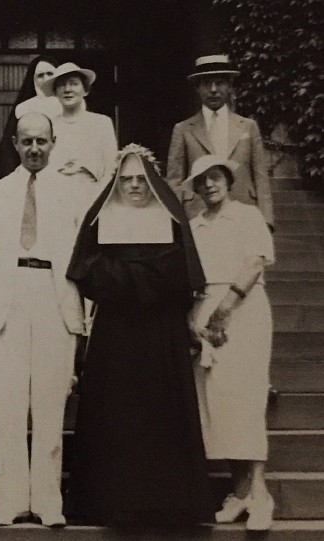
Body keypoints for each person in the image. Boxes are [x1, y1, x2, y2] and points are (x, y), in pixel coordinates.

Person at [65, 144, 214, 527]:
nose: (134, 186)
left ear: (154, 181)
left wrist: (124, 275)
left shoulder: (170, 218)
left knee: (161, 414)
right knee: (118, 414)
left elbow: (180, 274)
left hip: (161, 334)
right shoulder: (101, 219)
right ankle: (113, 502)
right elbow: (87, 272)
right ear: (116, 181)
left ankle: (168, 503)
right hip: (116, 336)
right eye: (126, 179)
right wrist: (144, 275)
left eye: (141, 179)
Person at [0, 112, 85, 528]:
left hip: (54, 297)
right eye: (27, 142)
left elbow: (85, 257)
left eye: (42, 141)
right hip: (5, 297)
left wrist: (85, 317)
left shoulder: (74, 194)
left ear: (53, 143)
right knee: (6, 407)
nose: (35, 149)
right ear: (15, 144)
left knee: (49, 406)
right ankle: (7, 501)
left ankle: (47, 500)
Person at [184, 155, 275, 531]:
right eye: (202, 180)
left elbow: (255, 264)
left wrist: (223, 310)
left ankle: (260, 495)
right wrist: (193, 319)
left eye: (216, 177)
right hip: (205, 315)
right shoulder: (193, 226)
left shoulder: (248, 216)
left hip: (244, 309)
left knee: (247, 401)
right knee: (219, 406)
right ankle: (240, 493)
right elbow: (190, 278)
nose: (209, 185)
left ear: (228, 180)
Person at [166, 54, 274, 230]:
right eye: (207, 83)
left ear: (230, 86)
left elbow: (261, 178)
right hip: (198, 215)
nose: (214, 89)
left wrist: (266, 220)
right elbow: (174, 181)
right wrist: (178, 221)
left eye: (219, 83)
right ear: (198, 89)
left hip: (244, 210)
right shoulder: (184, 129)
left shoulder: (248, 126)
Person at [40, 62, 117, 211]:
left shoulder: (102, 123)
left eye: (74, 84)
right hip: (56, 198)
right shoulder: (48, 125)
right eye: (61, 85)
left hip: (92, 196)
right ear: (55, 92)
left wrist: (98, 202)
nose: (67, 89)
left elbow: (111, 168)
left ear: (85, 90)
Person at [0, 55, 61, 177]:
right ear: (33, 79)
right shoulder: (23, 108)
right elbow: (9, 151)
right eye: (40, 75)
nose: (45, 79)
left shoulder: (68, 106)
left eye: (50, 74)